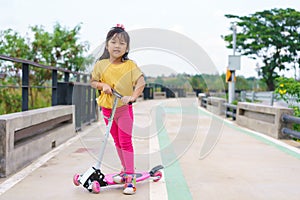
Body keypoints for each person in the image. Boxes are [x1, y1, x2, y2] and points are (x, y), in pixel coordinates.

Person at [90, 24, 145, 195]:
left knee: (125, 141)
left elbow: (141, 82)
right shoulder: (101, 65)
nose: (117, 46)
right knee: (117, 142)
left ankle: (130, 178)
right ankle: (125, 169)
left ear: (127, 48)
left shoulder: (130, 65)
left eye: (122, 43)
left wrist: (133, 96)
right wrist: (102, 85)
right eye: (114, 42)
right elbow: (93, 82)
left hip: (123, 109)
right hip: (107, 109)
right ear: (107, 45)